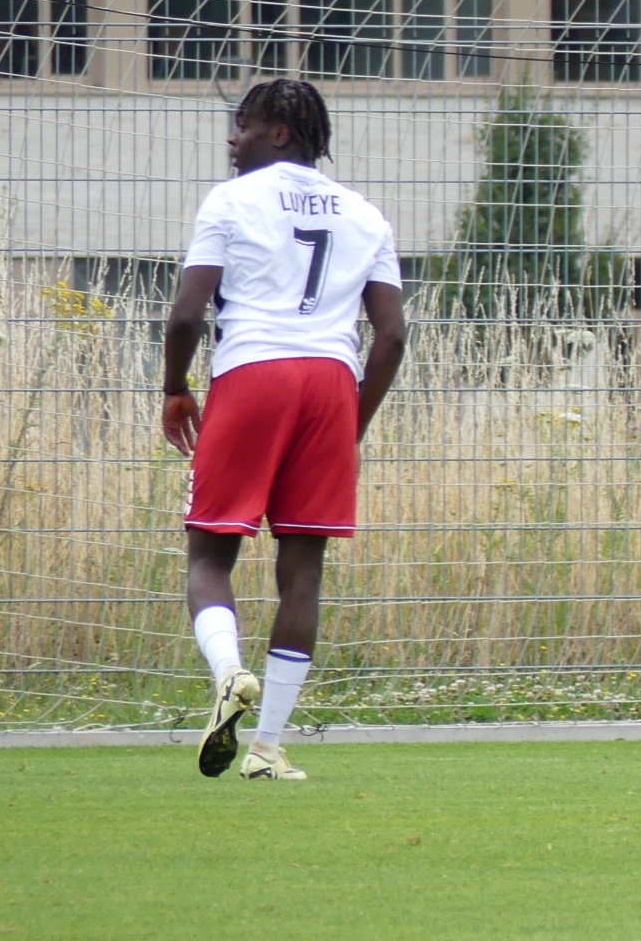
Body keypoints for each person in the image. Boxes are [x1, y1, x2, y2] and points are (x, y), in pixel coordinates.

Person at [162, 79, 407, 781]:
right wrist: (350, 422)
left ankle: (228, 672)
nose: (232, 138)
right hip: (331, 382)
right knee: (303, 572)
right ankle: (266, 747)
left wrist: (175, 387)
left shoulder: (231, 200)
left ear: (278, 133)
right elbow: (391, 336)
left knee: (209, 556)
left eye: (243, 125)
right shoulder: (366, 214)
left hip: (253, 373)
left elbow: (187, 315)